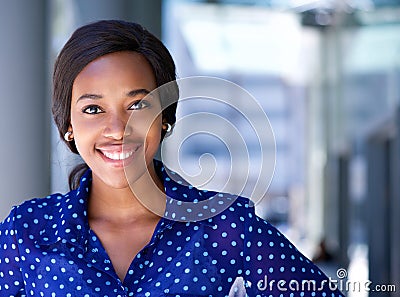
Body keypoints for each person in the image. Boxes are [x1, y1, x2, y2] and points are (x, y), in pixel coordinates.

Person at [0, 20, 344, 297]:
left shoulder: (225, 226)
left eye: (138, 105)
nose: (118, 128)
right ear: (68, 126)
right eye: (93, 109)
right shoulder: (26, 231)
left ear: (164, 117)